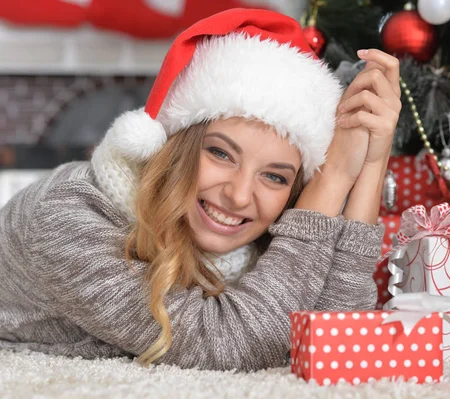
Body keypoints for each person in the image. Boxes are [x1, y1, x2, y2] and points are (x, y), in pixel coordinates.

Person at [0, 8, 401, 371]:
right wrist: (332, 180)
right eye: (221, 154)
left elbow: (338, 333)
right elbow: (231, 344)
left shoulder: (254, 245)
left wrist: (369, 163)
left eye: (275, 177)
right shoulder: (66, 216)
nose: (240, 196)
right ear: (175, 147)